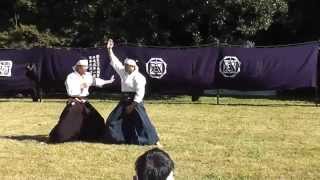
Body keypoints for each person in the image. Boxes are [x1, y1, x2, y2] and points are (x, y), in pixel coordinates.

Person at [104, 39, 160, 145]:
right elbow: (115, 62)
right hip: (124, 100)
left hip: (135, 101)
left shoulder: (139, 77)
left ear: (133, 67)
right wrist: (109, 49)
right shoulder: (123, 72)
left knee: (143, 122)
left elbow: (140, 93)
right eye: (125, 65)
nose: (125, 67)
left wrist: (132, 106)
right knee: (113, 120)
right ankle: (119, 139)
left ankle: (153, 140)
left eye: (128, 66)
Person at [48, 57, 115, 143]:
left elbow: (96, 81)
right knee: (67, 122)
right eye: (84, 67)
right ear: (78, 67)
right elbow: (71, 91)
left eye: (87, 67)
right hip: (75, 101)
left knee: (97, 119)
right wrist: (80, 87)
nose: (86, 69)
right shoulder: (71, 77)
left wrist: (108, 81)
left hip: (84, 102)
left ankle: (91, 136)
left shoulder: (87, 75)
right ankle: (60, 137)